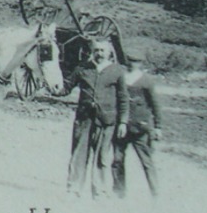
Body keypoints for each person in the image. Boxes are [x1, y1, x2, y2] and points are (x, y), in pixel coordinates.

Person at [66, 39, 130, 198]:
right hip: (84, 119)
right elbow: (66, 87)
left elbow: (123, 98)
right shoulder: (82, 69)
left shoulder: (117, 71)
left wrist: (122, 122)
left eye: (102, 51)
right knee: (78, 155)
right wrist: (52, 85)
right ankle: (74, 188)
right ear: (92, 52)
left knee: (102, 157)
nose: (99, 54)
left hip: (107, 120)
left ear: (109, 53)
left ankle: (99, 190)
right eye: (97, 50)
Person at [113, 65, 162, 197]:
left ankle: (155, 193)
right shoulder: (121, 77)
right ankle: (119, 193)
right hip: (122, 127)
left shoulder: (146, 80)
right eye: (130, 61)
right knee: (117, 160)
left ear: (140, 63)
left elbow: (155, 104)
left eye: (135, 61)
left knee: (146, 161)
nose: (132, 64)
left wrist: (158, 126)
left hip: (140, 127)